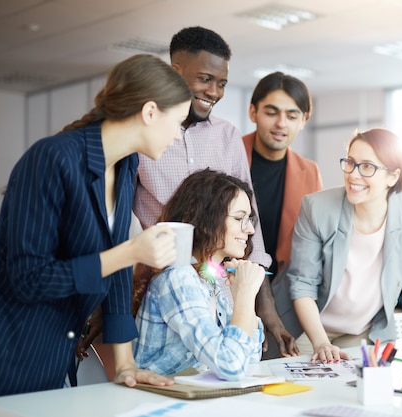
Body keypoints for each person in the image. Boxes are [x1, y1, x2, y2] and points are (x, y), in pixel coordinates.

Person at [0, 54, 192, 395]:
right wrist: (130, 252)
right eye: (178, 122)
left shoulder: (127, 165)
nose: (178, 137)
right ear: (149, 112)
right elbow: (28, 280)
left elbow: (115, 273)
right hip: (13, 345)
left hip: (58, 349)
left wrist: (126, 364)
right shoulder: (51, 158)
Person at [132, 26, 291, 357]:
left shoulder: (226, 135)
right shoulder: (145, 132)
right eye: (205, 79)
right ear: (175, 72)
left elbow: (248, 216)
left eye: (222, 84)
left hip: (218, 282)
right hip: (162, 282)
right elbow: (120, 220)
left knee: (221, 370)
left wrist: (264, 302)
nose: (215, 92)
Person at [272, 128, 402, 363]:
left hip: (362, 330)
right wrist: (321, 343)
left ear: (393, 176)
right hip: (310, 329)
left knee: (359, 392)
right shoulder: (317, 208)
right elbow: (302, 284)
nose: (353, 175)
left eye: (367, 166)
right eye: (350, 162)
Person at [132, 169, 265, 379]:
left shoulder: (208, 280)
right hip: (159, 403)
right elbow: (231, 365)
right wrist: (247, 295)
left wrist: (242, 295)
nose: (249, 230)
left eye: (249, 219)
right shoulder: (180, 278)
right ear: (205, 221)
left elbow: (249, 358)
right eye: (240, 218)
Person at [242, 71, 323, 358]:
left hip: (284, 288)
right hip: (230, 280)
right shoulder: (230, 154)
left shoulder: (309, 171)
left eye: (292, 115)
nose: (281, 123)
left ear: (304, 120)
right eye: (271, 112)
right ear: (253, 112)